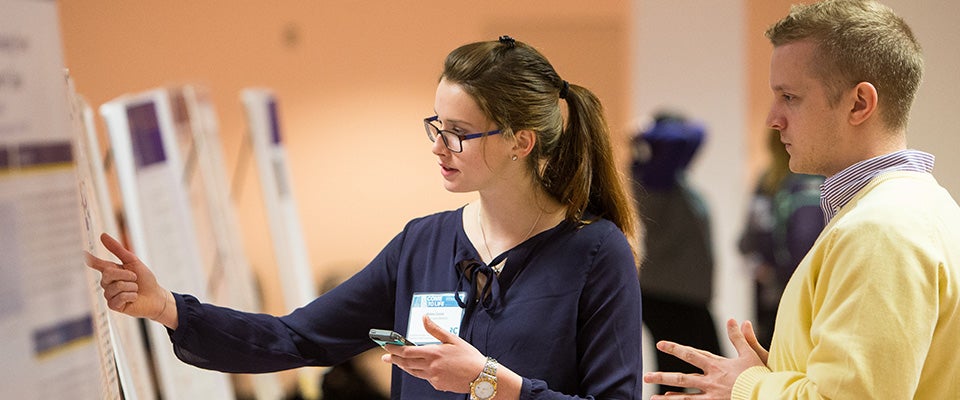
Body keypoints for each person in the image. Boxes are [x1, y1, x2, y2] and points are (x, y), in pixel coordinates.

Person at [87, 35, 645, 399]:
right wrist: (168, 309)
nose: (439, 146)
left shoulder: (595, 253)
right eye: (437, 126)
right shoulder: (421, 245)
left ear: (522, 142)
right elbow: (294, 338)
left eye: (459, 134)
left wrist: (493, 382)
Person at [643, 0, 960, 398]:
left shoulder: (880, 230)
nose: (772, 119)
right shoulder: (919, 207)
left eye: (790, 96)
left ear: (859, 103)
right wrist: (780, 369)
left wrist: (747, 386)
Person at [629, 113, 721, 395]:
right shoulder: (655, 177)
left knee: (691, 377)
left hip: (682, 296)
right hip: (669, 296)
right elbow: (695, 133)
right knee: (687, 378)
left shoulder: (670, 177)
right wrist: (645, 133)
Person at [737, 130, 824, 348]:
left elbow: (749, 238)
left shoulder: (768, 181)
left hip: (771, 286)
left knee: (772, 349)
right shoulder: (824, 179)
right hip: (817, 282)